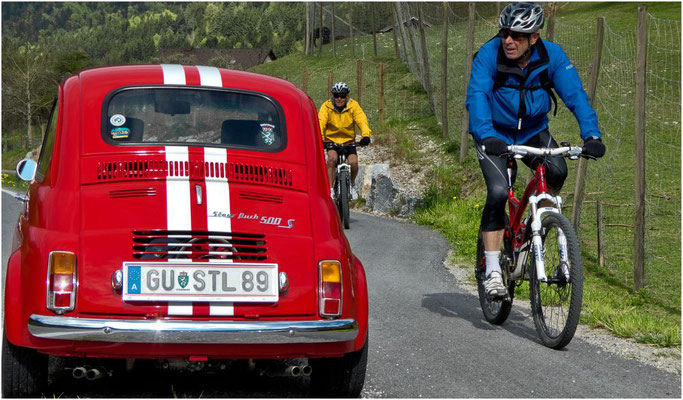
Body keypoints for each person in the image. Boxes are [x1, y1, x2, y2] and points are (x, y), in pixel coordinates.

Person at [465, 2, 606, 298]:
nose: (508, 40)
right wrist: (487, 135)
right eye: (505, 33)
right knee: (499, 192)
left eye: (518, 35)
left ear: (535, 37)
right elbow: (477, 95)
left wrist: (591, 134)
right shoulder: (489, 54)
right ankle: (492, 270)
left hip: (533, 131)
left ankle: (535, 231)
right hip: (494, 133)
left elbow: (575, 96)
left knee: (557, 172)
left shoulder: (552, 55)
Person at [319, 82, 372, 198]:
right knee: (332, 159)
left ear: (347, 96)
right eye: (336, 95)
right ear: (332, 96)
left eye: (342, 96)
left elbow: (361, 119)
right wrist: (320, 138)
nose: (339, 98)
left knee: (353, 162)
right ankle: (330, 189)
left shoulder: (353, 106)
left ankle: (351, 184)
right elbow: (320, 122)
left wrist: (366, 135)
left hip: (348, 142)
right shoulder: (326, 107)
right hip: (331, 141)